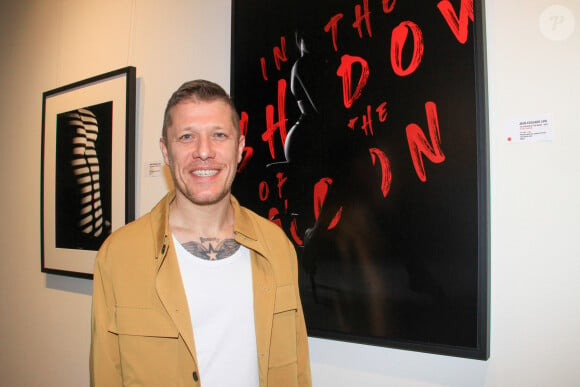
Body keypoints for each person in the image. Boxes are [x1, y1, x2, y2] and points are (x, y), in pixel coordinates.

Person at [90, 80, 312, 386]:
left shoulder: (278, 247)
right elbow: (106, 374)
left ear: (239, 147)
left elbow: (298, 370)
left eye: (218, 135)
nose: (204, 152)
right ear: (165, 151)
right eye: (186, 137)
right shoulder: (118, 256)